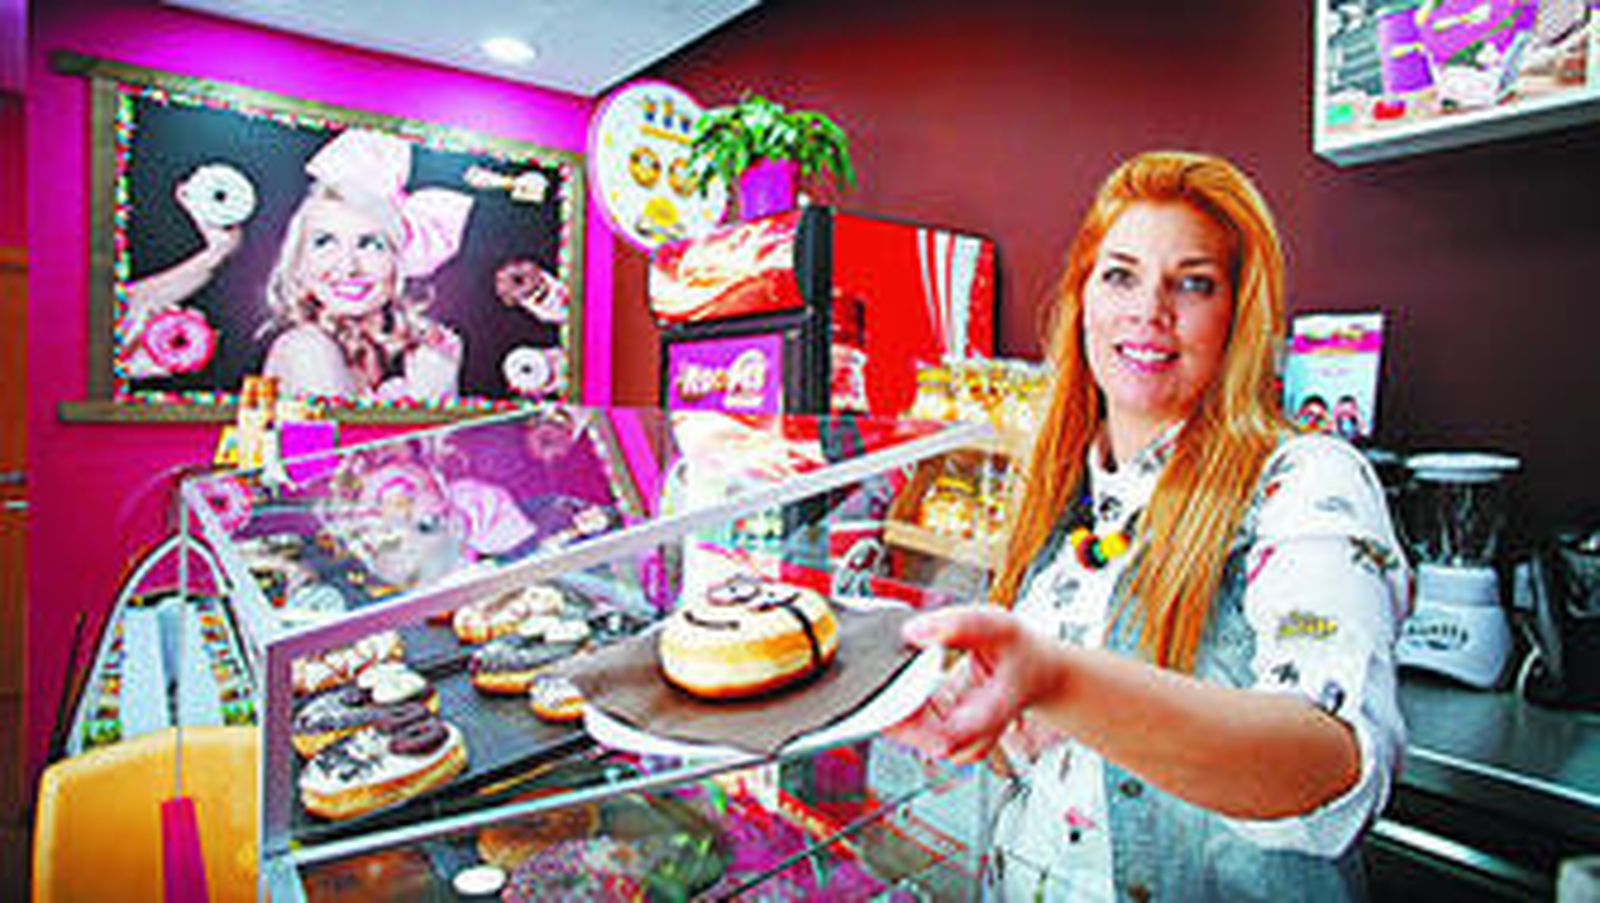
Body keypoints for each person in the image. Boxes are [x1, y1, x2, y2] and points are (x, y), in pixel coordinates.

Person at [890, 151, 1410, 901]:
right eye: (1120, 276)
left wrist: (1058, 679)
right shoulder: (1063, 493)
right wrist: (967, 713)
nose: (1149, 311)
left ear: (1237, 317)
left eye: (1192, 283)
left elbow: (1330, 770)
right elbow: (1039, 764)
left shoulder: (1307, 481)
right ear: (1083, 299)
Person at [261, 129, 473, 402]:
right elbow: (335, 434)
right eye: (324, 241)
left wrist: (442, 380)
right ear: (301, 260)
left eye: (370, 244)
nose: (348, 267)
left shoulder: (392, 355)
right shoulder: (307, 348)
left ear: (399, 262)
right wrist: (429, 396)